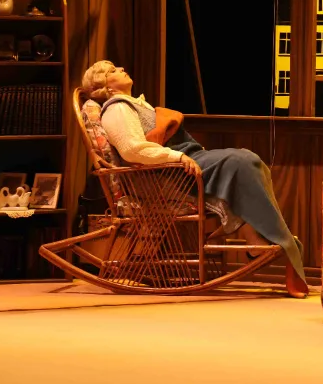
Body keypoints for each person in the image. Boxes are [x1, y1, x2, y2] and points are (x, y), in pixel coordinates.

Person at [81, 60, 308, 298]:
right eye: (113, 70)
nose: (121, 69)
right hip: (168, 175)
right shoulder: (117, 108)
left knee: (249, 161)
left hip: (180, 166)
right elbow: (132, 149)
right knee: (242, 161)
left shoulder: (134, 104)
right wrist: (177, 156)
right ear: (107, 87)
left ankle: (257, 238)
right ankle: (278, 242)